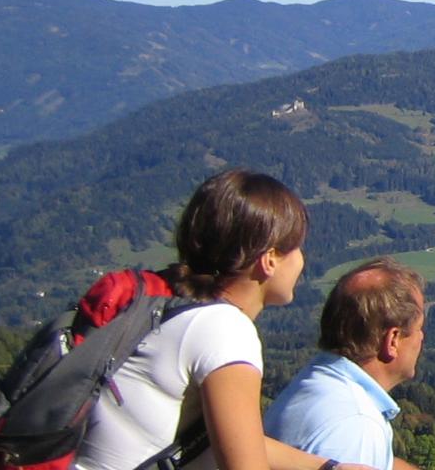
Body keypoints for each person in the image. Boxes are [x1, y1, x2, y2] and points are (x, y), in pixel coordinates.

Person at [75, 169, 357, 470]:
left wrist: (328, 467)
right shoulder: (225, 331)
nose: (302, 259)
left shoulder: (174, 306)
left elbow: (234, 439)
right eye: (296, 247)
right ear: (270, 259)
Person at [266, 257, 426, 470]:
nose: (421, 337)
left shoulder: (317, 384)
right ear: (393, 340)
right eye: (419, 328)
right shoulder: (356, 425)